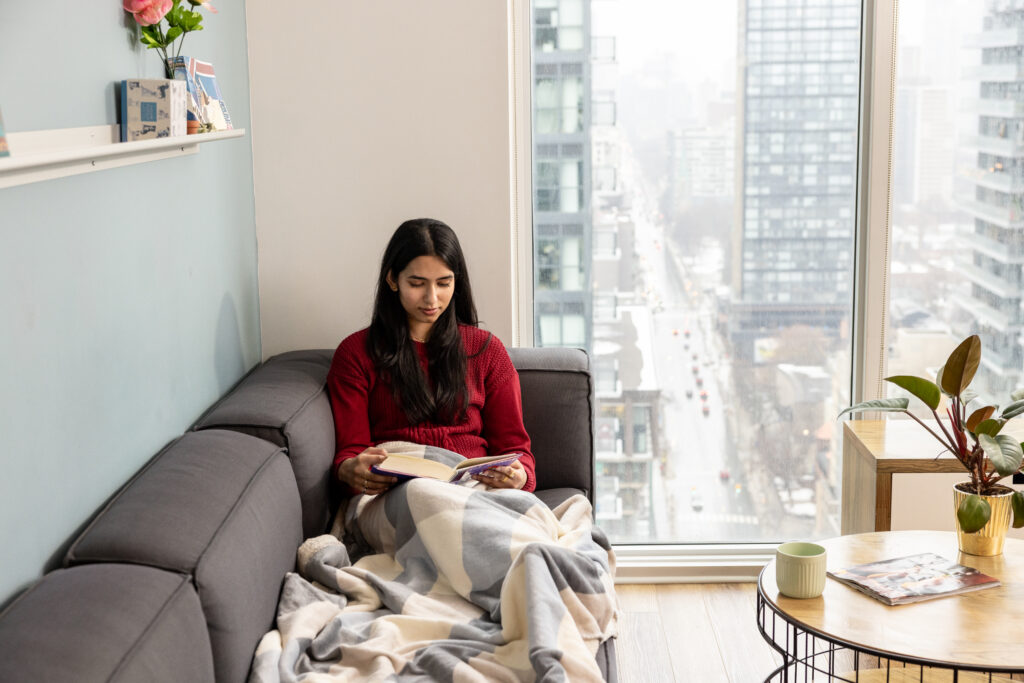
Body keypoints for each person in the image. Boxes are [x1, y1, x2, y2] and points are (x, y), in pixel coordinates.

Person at [326, 218, 536, 498]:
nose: (431, 298)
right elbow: (350, 454)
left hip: (474, 489)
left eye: (444, 283)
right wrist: (350, 470)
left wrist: (518, 475)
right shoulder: (355, 354)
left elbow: (516, 451)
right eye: (417, 283)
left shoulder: (487, 351)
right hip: (401, 491)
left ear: (456, 282)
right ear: (392, 279)